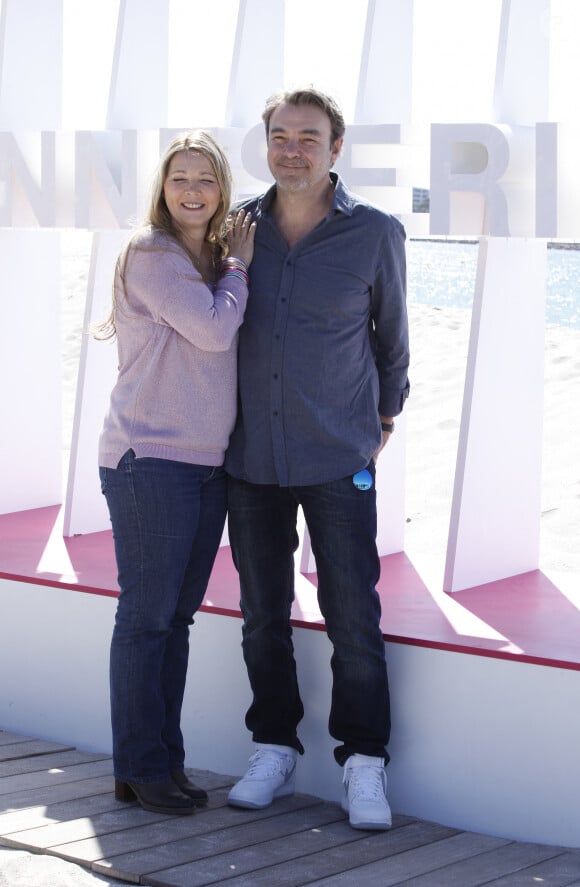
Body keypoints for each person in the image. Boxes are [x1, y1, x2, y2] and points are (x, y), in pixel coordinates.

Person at [225, 88, 410, 831]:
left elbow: (391, 337)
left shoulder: (376, 233)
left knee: (352, 614)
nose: (291, 148)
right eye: (279, 135)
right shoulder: (236, 228)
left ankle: (363, 761)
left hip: (338, 453)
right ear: (265, 143)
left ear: (336, 149)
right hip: (249, 458)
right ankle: (273, 745)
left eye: (308, 136)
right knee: (261, 613)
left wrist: (384, 414)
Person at [97, 130, 255, 815]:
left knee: (175, 620)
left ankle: (163, 761)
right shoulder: (153, 253)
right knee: (146, 618)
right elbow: (216, 332)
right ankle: (138, 767)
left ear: (221, 189)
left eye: (207, 179)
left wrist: (232, 265)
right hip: (149, 460)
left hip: (204, 465)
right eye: (180, 178)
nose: (193, 190)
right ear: (162, 188)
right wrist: (241, 270)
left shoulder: (211, 256)